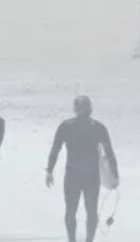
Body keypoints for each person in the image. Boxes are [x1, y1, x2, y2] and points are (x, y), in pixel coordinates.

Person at [46, 95, 119, 242]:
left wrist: (49, 170)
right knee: (89, 211)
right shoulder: (98, 128)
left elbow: (55, 150)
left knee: (72, 211)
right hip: (90, 176)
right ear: (90, 109)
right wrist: (115, 175)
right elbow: (109, 153)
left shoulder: (66, 126)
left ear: (75, 109)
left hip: (73, 175)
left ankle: (73, 240)